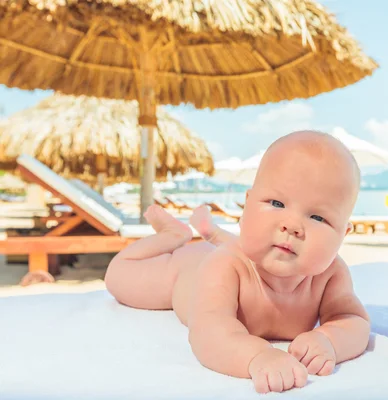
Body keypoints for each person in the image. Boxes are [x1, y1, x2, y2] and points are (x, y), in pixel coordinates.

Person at [105, 130, 370, 393]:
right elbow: (208, 332)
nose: (292, 226)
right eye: (277, 203)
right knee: (119, 277)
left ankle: (214, 234)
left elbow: (353, 321)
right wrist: (257, 356)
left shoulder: (331, 275)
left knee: (248, 244)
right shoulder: (224, 267)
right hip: (186, 270)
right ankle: (173, 235)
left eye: (318, 218)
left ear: (342, 235)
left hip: (235, 248)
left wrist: (330, 340)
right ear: (247, 205)